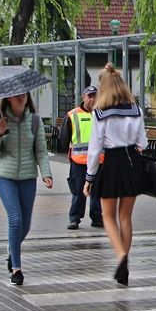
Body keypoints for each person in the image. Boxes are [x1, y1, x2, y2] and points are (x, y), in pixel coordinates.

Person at [83, 64, 148, 286]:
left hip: (111, 163)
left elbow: (95, 148)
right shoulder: (136, 111)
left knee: (107, 215)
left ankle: (121, 256)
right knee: (125, 217)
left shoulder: (100, 114)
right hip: (132, 163)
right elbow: (143, 143)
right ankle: (125, 264)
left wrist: (89, 178)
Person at [0, 92, 53, 285]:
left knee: (26, 225)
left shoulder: (35, 120)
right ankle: (16, 269)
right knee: (15, 220)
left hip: (27, 178)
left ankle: (11, 249)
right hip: (4, 177)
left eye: (24, 94)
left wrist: (46, 173)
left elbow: (40, 150)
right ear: (8, 98)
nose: (21, 97)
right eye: (16, 95)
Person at [59, 86, 103, 230]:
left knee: (97, 191)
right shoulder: (73, 115)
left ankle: (97, 218)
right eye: (89, 96)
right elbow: (64, 138)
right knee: (78, 191)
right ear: (83, 97)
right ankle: (74, 219)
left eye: (95, 96)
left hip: (98, 161)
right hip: (79, 161)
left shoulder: (102, 114)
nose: (92, 99)